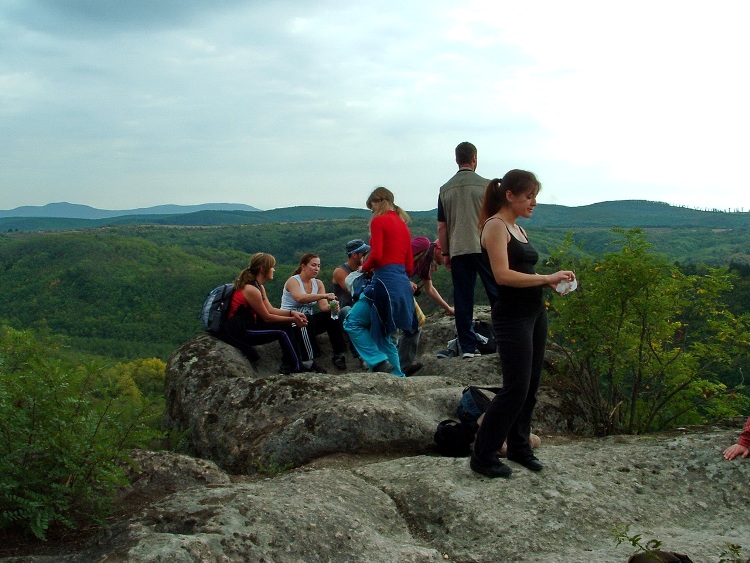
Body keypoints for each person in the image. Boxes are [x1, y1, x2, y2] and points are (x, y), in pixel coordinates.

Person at [470, 170, 575, 478]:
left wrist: (551, 284)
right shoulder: (495, 227)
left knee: (530, 387)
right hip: (512, 315)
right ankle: (483, 454)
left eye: (535, 196)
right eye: (529, 196)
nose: (534, 202)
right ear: (510, 195)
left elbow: (523, 272)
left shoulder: (517, 228)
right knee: (514, 387)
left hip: (534, 312)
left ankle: (519, 446)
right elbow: (502, 275)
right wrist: (546, 278)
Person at [437, 142, 500, 358]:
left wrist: (445, 253)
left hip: (458, 248)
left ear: (457, 159)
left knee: (463, 298)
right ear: (474, 158)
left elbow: (442, 226)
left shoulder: (445, 189)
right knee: (495, 293)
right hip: (484, 246)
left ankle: (468, 347)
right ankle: (503, 339)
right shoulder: (487, 186)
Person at [343, 187, 415, 376]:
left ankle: (377, 360)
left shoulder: (379, 221)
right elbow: (409, 266)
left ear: (379, 202)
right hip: (402, 284)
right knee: (384, 336)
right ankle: (397, 376)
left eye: (372, 207)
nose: (372, 211)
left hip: (383, 283)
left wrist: (363, 268)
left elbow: (377, 255)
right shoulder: (403, 225)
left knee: (352, 322)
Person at [221, 253, 308, 375]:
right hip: (238, 331)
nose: (274, 269)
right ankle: (296, 367)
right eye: (272, 267)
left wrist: (291, 313)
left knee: (285, 326)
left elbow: (271, 310)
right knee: (283, 331)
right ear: (263, 269)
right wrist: (293, 320)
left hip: (247, 325)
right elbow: (267, 317)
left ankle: (290, 364)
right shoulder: (250, 289)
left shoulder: (258, 287)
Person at [280, 253, 348, 372]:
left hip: (308, 321)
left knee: (331, 316)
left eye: (318, 266)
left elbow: (323, 307)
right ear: (303, 266)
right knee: (306, 318)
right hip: (290, 321)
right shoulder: (293, 281)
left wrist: (333, 307)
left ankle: (339, 354)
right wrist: (324, 295)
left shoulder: (318, 283)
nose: (316, 268)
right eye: (313, 265)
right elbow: (300, 298)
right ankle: (308, 362)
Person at [398, 236, 455, 376]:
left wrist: (448, 308)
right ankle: (400, 366)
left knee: (415, 325)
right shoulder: (423, 244)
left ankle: (402, 366)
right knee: (408, 327)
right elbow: (395, 258)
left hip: (398, 288)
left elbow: (430, 289)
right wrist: (405, 281)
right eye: (447, 255)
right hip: (390, 284)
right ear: (440, 249)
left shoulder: (426, 263)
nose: (447, 260)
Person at [332, 239, 371, 321]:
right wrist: (362, 269)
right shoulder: (340, 271)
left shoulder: (367, 269)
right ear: (354, 255)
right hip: (347, 310)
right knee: (347, 309)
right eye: (364, 253)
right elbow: (354, 291)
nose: (366, 255)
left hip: (362, 309)